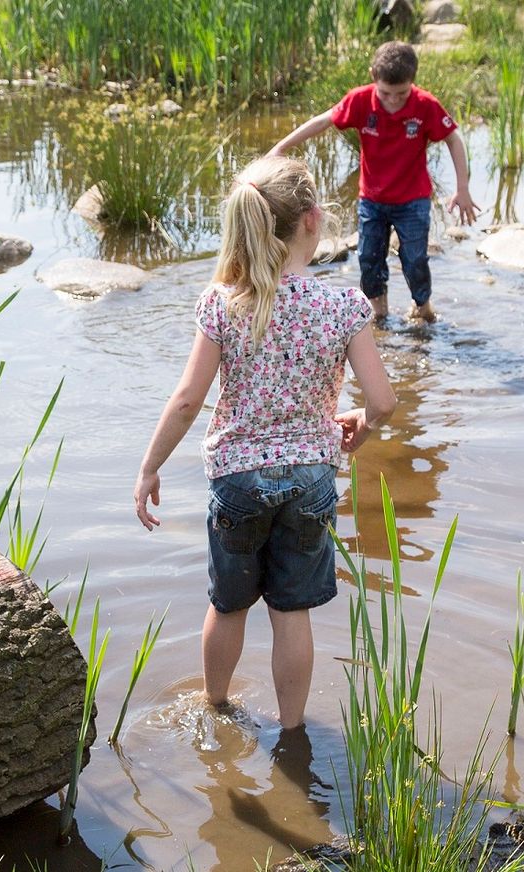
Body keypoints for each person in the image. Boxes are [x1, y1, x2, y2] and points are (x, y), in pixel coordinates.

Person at [134, 156, 397, 731]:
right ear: (311, 219)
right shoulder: (343, 306)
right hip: (310, 477)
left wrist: (150, 467)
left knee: (228, 605)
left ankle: (216, 707)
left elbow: (186, 401)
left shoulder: (224, 303)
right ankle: (294, 730)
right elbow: (382, 400)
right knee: (291, 610)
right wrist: (359, 425)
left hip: (238, 479)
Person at [268, 41, 478, 323]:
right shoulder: (360, 100)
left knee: (415, 258)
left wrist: (462, 188)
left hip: (412, 201)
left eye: (401, 93)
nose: (393, 100)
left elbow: (453, 138)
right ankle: (379, 314)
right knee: (369, 258)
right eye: (386, 93)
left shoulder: (425, 105)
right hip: (372, 200)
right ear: (373, 77)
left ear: (413, 82)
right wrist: (280, 148)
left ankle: (422, 307)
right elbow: (323, 120)